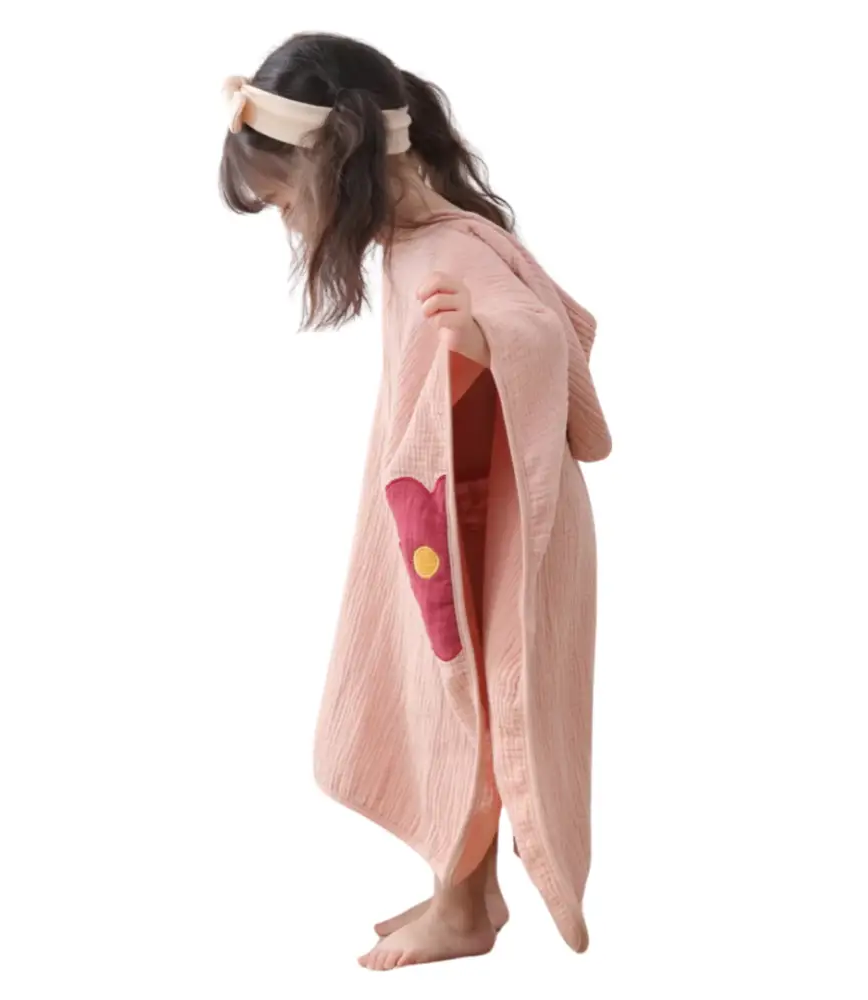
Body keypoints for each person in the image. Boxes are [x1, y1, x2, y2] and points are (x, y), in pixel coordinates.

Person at [220, 32, 612, 971]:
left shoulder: (443, 251)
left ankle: (464, 907)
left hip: (493, 523)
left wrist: (485, 341)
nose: (290, 225)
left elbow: (542, 333)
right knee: (439, 693)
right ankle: (464, 889)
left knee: (464, 697)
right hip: (453, 510)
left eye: (285, 202)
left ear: (336, 165)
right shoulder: (417, 239)